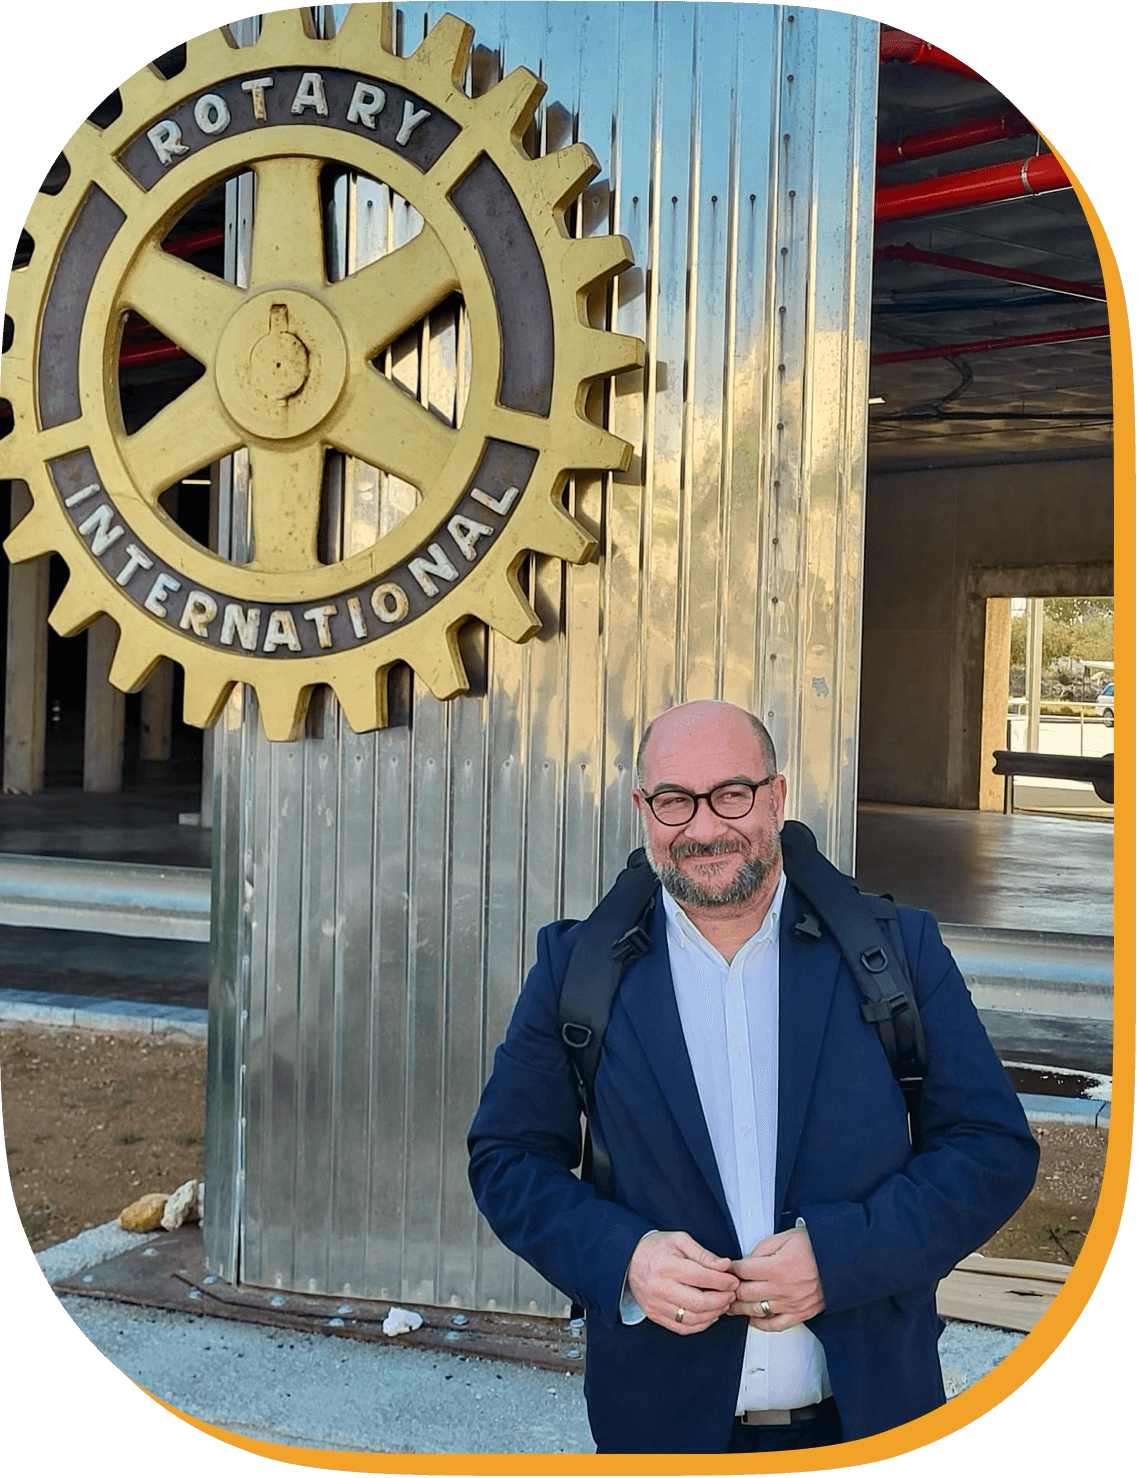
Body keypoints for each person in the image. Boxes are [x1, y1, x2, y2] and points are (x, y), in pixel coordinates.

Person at [467, 700, 1040, 1454]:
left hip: (872, 1418)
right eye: (674, 800)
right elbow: (507, 1161)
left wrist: (842, 1259)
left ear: (774, 796)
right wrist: (625, 1259)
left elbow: (991, 1149)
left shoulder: (897, 953)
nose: (704, 828)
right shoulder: (574, 971)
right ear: (643, 809)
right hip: (661, 1432)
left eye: (731, 794)